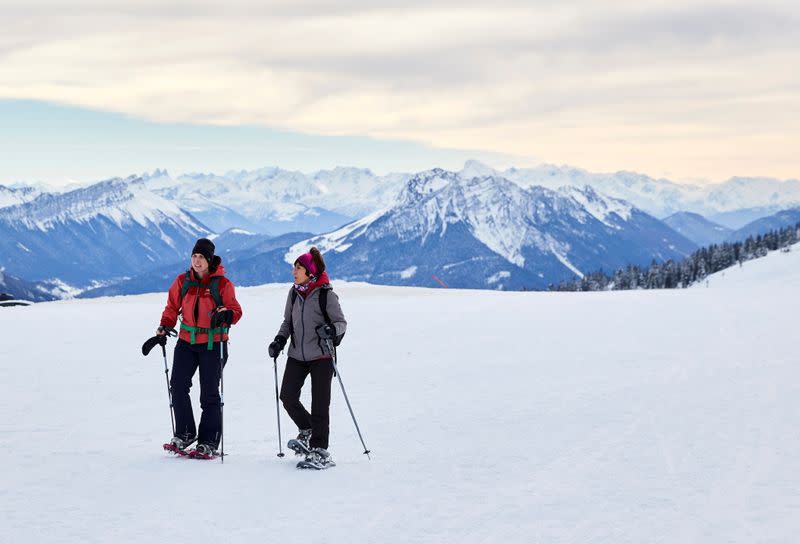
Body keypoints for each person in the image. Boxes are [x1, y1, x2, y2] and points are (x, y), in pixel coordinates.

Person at [158, 238, 243, 458]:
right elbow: (171, 307)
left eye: (201, 257)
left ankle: (209, 441)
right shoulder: (182, 281)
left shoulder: (222, 284)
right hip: (186, 342)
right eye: (194, 256)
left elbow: (236, 311)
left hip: (214, 344)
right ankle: (185, 432)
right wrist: (165, 325)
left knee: (209, 394)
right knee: (177, 385)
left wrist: (227, 315)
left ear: (209, 260)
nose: (196, 261)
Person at [268, 247, 347, 469]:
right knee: (287, 396)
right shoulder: (293, 293)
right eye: (294, 267)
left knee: (320, 404)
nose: (294, 271)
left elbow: (341, 323)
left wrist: (331, 330)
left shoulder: (325, 294)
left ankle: (320, 449)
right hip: (296, 354)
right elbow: (288, 322)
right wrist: (279, 341)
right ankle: (307, 428)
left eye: (299, 267)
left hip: (321, 355)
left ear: (310, 271)